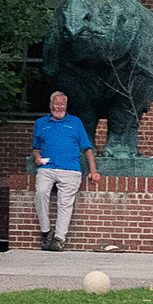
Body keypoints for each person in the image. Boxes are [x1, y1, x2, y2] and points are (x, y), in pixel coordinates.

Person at [31, 89, 98, 253]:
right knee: (40, 193)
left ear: (66, 106)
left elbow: (87, 148)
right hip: (47, 168)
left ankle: (59, 238)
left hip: (70, 169)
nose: (58, 107)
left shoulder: (75, 122)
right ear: (50, 105)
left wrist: (93, 171)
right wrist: (37, 157)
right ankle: (46, 232)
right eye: (56, 104)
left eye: (62, 104)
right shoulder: (41, 123)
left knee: (65, 203)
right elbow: (35, 148)